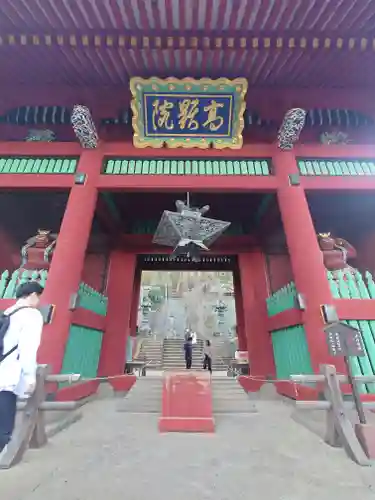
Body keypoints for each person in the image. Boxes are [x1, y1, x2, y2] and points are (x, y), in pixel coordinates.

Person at [0, 281, 44, 454]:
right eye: (38, 296)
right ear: (32, 295)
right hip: (9, 376)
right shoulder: (32, 316)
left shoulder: (8, 312)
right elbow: (28, 348)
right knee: (3, 429)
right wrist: (30, 376)